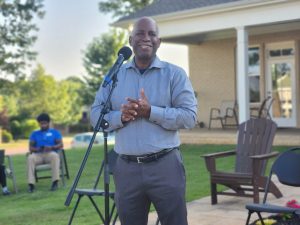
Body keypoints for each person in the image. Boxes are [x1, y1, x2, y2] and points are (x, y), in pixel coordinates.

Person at [91, 17, 197, 225]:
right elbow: (95, 115)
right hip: (126, 168)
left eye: (152, 34)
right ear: (130, 40)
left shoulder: (175, 74)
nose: (145, 38)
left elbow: (189, 117)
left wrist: (151, 112)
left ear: (159, 41)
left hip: (165, 166)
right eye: (140, 33)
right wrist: (120, 117)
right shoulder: (114, 76)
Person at [27, 113, 63, 192]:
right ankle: (31, 184)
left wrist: (52, 147)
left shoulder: (55, 132)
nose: (43, 125)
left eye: (45, 123)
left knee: (54, 156)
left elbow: (60, 144)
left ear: (48, 123)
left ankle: (55, 182)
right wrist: (38, 149)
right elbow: (30, 148)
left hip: (50, 153)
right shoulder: (34, 134)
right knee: (30, 157)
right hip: (38, 154)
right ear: (39, 124)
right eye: (41, 124)